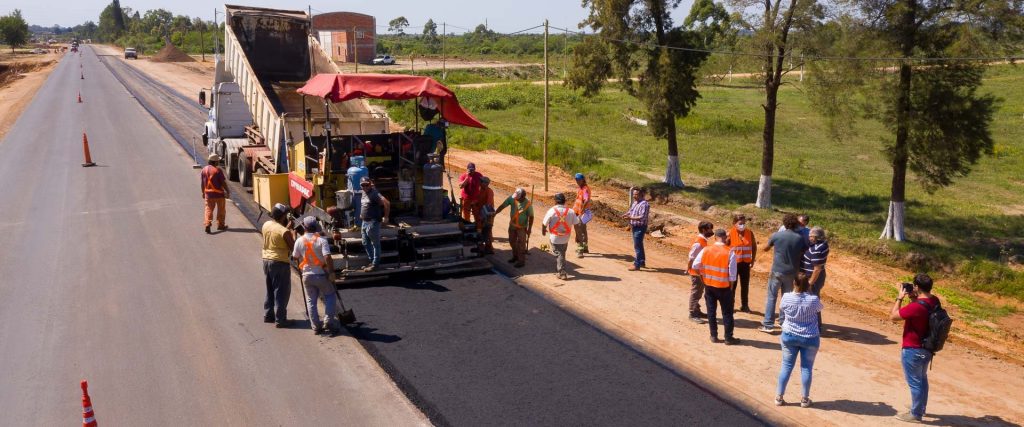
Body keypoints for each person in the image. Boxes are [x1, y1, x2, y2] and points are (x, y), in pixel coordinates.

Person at [890, 274, 940, 423]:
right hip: (927, 348)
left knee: (914, 382)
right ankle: (920, 408)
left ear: (917, 287)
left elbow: (893, 317)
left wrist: (899, 298)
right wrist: (913, 298)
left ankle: (916, 414)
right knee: (922, 379)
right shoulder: (934, 301)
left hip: (913, 348)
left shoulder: (916, 306)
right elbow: (922, 313)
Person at [775, 273, 824, 408]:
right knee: (806, 368)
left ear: (794, 283)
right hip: (810, 338)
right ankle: (804, 399)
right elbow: (820, 308)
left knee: (786, 366)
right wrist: (809, 292)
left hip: (789, 335)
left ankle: (779, 397)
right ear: (807, 285)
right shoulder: (813, 300)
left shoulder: (786, 297)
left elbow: (782, 309)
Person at [760, 213, 808, 334]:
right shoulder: (800, 238)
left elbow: (765, 248)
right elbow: (803, 252)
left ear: (784, 223)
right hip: (792, 272)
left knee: (771, 297)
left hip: (777, 270)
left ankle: (768, 324)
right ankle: (783, 322)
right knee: (786, 298)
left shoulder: (777, 235)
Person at [693, 229, 740, 345]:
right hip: (724, 287)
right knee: (727, 313)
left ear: (715, 238)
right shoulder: (730, 252)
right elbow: (733, 276)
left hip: (709, 286)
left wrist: (703, 278)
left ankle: (713, 336)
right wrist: (731, 288)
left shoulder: (706, 250)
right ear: (726, 238)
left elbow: (695, 265)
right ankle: (728, 338)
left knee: (711, 312)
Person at [292, 217, 338, 336]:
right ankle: (328, 321)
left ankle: (316, 326)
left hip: (307, 276)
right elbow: (327, 257)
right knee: (330, 295)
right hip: (321, 274)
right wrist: (332, 272)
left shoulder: (299, 240)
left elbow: (295, 257)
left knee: (311, 300)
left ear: (305, 227)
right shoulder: (322, 241)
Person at [261, 203, 294, 328]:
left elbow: (276, 233)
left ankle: (268, 315)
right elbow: (293, 247)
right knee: (281, 291)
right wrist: (291, 231)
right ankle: (281, 319)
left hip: (266, 259)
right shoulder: (284, 231)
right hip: (279, 262)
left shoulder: (266, 224)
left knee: (270, 288)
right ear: (282, 216)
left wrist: (286, 228)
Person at [542, 193, 579, 280]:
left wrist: (543, 230)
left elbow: (544, 223)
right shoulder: (571, 211)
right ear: (564, 201)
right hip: (566, 237)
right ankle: (560, 266)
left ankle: (562, 272)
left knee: (559, 254)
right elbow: (577, 224)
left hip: (554, 238)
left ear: (555, 201)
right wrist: (577, 235)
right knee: (562, 252)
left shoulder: (551, 211)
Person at [495, 188, 533, 268]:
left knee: (521, 245)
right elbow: (502, 206)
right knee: (512, 241)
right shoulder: (512, 199)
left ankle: (521, 261)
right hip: (512, 226)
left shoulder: (528, 204)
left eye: (517, 197)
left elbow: (531, 217)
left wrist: (529, 229)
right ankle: (515, 256)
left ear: (523, 197)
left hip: (522, 228)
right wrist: (495, 213)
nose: (515, 198)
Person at [359, 177, 390, 272]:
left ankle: (375, 265)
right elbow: (365, 204)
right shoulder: (364, 193)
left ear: (370, 184)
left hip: (373, 222)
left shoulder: (374, 193)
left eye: (367, 184)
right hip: (364, 222)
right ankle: (372, 262)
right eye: (363, 185)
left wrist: (386, 217)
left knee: (375, 244)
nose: (365, 187)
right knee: (365, 243)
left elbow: (387, 203)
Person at [728, 214, 757, 312]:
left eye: (744, 223)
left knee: (745, 285)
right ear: (734, 223)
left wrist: (752, 260)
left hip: (745, 264)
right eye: (740, 223)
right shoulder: (730, 234)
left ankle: (745, 305)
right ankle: (730, 305)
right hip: (734, 264)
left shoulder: (749, 233)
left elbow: (753, 246)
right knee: (733, 285)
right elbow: (725, 248)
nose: (743, 225)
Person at [801, 227, 830, 327]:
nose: (809, 238)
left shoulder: (816, 249)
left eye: (811, 236)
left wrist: (810, 283)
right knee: (813, 300)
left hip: (813, 279)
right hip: (817, 277)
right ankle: (815, 325)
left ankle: (816, 326)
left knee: (812, 302)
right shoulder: (822, 245)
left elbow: (817, 269)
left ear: (816, 237)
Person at [687, 221, 714, 323]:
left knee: (699, 291)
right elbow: (691, 257)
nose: (712, 231)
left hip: (700, 272)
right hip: (696, 272)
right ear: (704, 230)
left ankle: (697, 310)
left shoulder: (703, 241)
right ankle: (692, 313)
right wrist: (688, 268)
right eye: (710, 229)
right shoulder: (699, 243)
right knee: (696, 292)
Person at [200, 153, 230, 234]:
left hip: (208, 195)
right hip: (219, 194)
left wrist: (203, 192)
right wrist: (228, 191)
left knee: (208, 209)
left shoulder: (204, 170)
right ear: (215, 162)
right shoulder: (218, 170)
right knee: (221, 210)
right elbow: (223, 182)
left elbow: (202, 183)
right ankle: (220, 225)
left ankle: (207, 224)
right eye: (217, 161)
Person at [622, 187, 650, 271]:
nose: (634, 196)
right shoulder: (635, 203)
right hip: (634, 226)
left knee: (637, 245)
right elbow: (631, 211)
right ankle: (642, 261)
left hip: (640, 227)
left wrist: (630, 218)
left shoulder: (645, 204)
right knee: (639, 244)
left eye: (636, 194)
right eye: (634, 194)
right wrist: (626, 214)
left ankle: (636, 265)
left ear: (641, 194)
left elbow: (642, 217)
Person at [572, 173, 592, 256]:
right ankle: (585, 247)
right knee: (583, 229)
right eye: (576, 180)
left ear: (583, 180)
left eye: (579, 180)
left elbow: (586, 200)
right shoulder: (581, 188)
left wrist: (582, 211)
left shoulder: (585, 189)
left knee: (579, 229)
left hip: (582, 212)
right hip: (578, 211)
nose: (577, 181)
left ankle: (580, 249)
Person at [476, 177, 496, 254]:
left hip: (487, 215)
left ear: (486, 183)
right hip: (481, 213)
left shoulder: (489, 191)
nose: (480, 183)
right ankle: (481, 246)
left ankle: (489, 248)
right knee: (480, 230)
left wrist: (482, 216)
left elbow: (488, 204)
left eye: (481, 182)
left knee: (487, 231)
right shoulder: (480, 189)